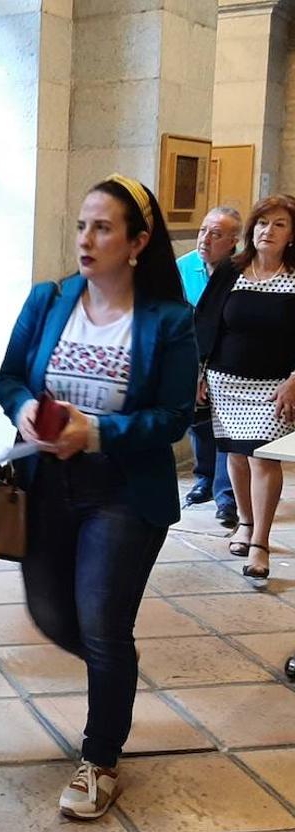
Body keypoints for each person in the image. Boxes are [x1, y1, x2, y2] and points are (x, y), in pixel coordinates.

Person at [0, 174, 197, 819]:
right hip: (47, 483)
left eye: (103, 227)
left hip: (122, 494)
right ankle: (117, 678)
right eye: (82, 225)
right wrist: (26, 408)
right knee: (53, 614)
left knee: (105, 625)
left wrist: (99, 432)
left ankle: (100, 757)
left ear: (137, 242)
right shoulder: (49, 299)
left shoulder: (168, 320)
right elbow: (9, 377)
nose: (86, 239)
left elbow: (172, 417)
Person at [195, 194, 295, 581]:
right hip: (226, 382)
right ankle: (246, 523)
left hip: (275, 386)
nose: (268, 231)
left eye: (279, 225)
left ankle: (261, 543)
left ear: (292, 235)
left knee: (264, 458)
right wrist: (199, 372)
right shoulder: (232, 270)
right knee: (236, 456)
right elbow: (206, 322)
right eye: (263, 223)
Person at [177, 207, 241, 527]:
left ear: (233, 242)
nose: (206, 239)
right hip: (192, 354)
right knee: (199, 423)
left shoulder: (242, 271)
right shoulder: (184, 267)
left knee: (225, 427)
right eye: (203, 230)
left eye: (216, 234)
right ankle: (203, 480)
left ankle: (226, 496)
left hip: (228, 358)